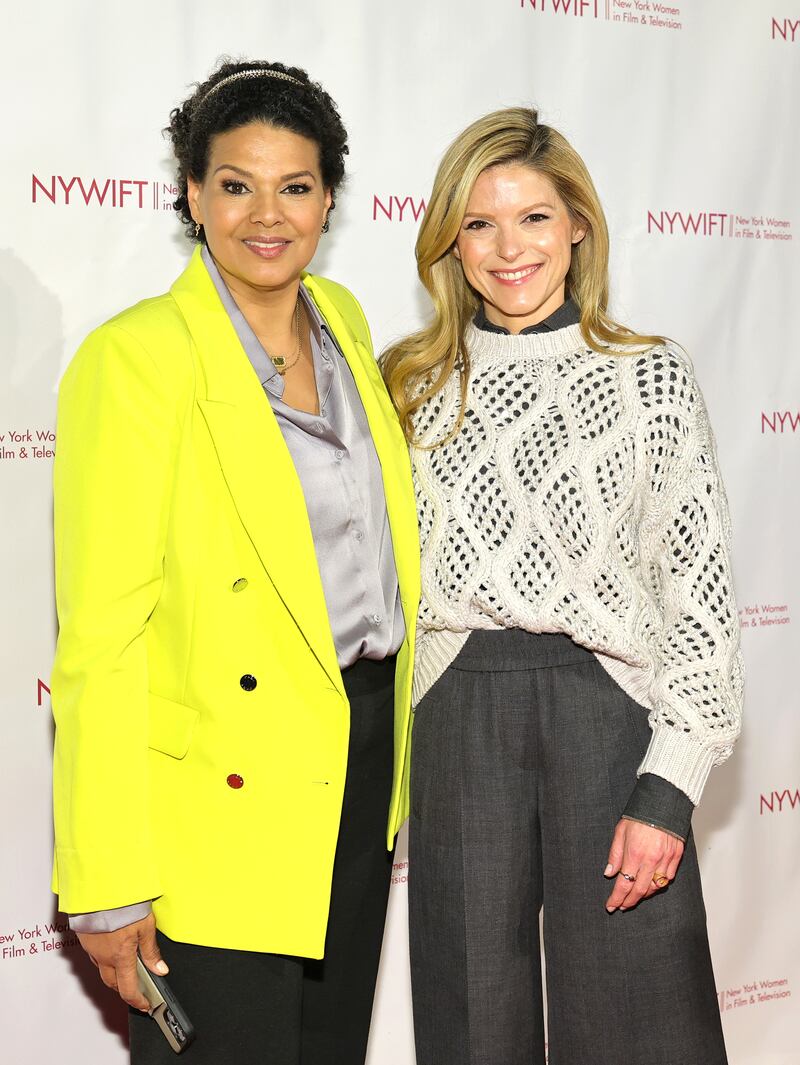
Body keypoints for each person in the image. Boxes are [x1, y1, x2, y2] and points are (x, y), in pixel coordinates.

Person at [50, 59, 419, 1065]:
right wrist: (108, 881)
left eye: (293, 186)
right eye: (235, 184)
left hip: (359, 756)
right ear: (191, 193)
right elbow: (101, 639)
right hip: (218, 791)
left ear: (329, 197)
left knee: (330, 1048)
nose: (267, 214)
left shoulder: (341, 320)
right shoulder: (136, 359)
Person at [382, 107, 742, 1065]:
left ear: (578, 223)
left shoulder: (648, 378)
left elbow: (699, 599)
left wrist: (669, 787)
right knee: (470, 1019)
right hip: (456, 712)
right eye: (480, 223)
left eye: (534, 218)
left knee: (639, 1011)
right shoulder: (410, 385)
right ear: (450, 242)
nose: (509, 248)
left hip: (609, 710)